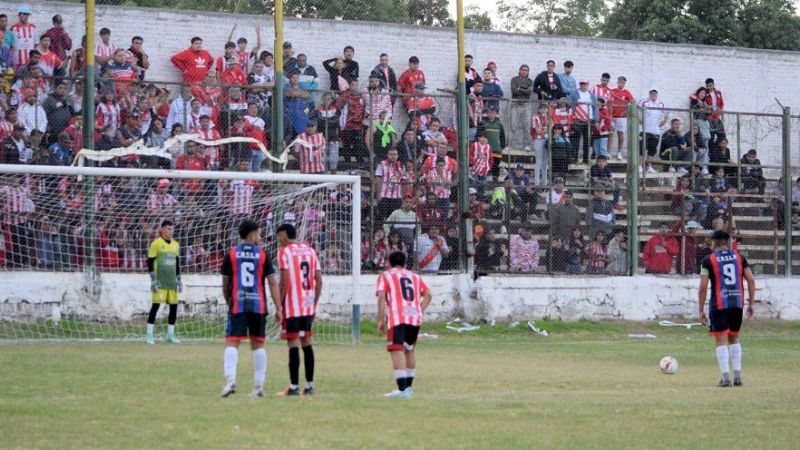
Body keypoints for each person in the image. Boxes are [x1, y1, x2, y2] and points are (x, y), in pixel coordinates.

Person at [219, 220, 282, 398]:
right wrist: (279, 307)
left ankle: (230, 381)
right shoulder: (262, 255)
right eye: (259, 234)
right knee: (258, 344)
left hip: (238, 304)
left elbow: (225, 284)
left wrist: (229, 301)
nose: (260, 238)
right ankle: (258, 386)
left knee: (232, 342)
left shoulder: (231, 254)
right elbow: (272, 282)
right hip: (258, 305)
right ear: (252, 235)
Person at [698, 229, 756, 387]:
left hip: (719, 304)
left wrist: (701, 310)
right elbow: (750, 280)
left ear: (713, 243)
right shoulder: (740, 257)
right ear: (729, 242)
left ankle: (725, 379)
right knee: (734, 337)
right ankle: (737, 377)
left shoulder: (707, 260)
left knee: (721, 339)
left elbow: (703, 286)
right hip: (737, 303)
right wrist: (751, 303)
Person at [376, 250, 432, 398]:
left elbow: (381, 297)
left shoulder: (386, 275)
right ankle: (408, 389)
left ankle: (402, 390)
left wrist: (381, 319)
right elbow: (428, 294)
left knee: (397, 349)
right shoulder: (414, 276)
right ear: (404, 263)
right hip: (414, 318)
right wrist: (419, 309)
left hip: (398, 317)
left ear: (389, 263)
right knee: (409, 349)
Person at [276, 223, 322, 396]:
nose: (278, 240)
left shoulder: (284, 252)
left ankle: (294, 387)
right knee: (307, 343)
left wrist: (279, 306)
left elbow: (284, 281)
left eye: (279, 236)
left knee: (293, 343)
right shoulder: (310, 251)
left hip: (292, 306)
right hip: (307, 305)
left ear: (286, 235)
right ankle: (309, 386)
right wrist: (314, 304)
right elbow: (319, 280)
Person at [145, 219, 182, 345]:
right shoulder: (156, 243)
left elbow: (177, 262)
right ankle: (149, 335)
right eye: (168, 229)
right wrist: (153, 279)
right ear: (162, 229)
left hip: (171, 282)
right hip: (160, 281)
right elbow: (150, 262)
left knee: (174, 308)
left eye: (172, 229)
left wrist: (179, 279)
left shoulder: (176, 244)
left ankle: (170, 334)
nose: (171, 231)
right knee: (155, 307)